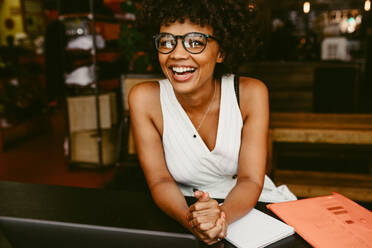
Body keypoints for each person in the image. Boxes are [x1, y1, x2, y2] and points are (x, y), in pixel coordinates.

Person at [129, 0, 294, 245]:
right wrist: (195, 222)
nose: (176, 54)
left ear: (222, 52)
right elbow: (159, 180)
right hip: (185, 210)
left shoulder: (250, 93)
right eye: (166, 42)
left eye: (195, 42)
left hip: (253, 210)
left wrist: (220, 219)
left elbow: (250, 179)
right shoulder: (144, 99)